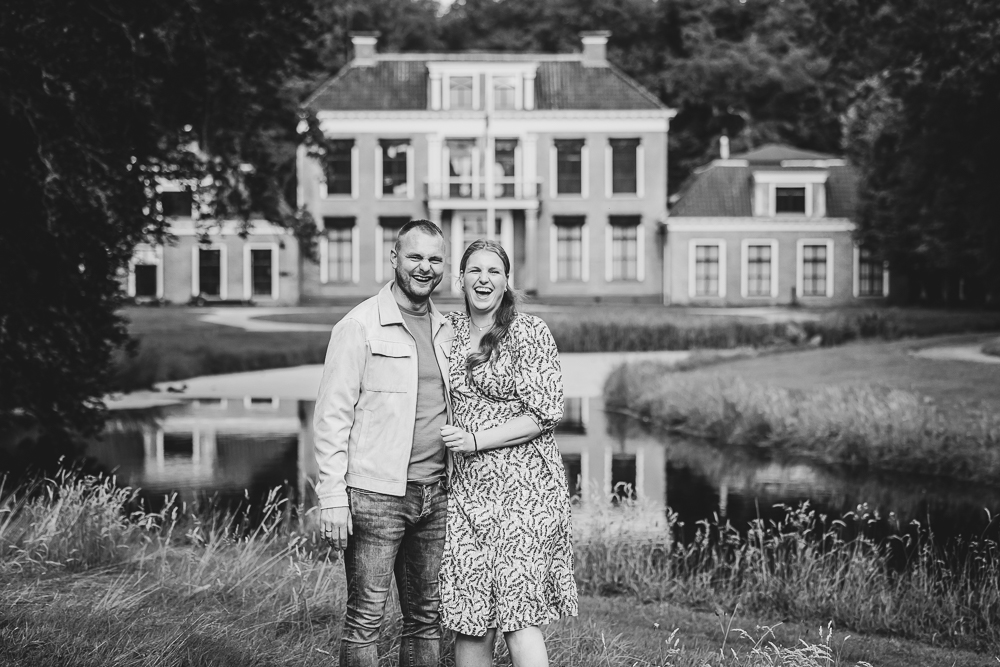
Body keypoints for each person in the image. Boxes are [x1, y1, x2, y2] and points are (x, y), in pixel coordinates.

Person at [313, 219, 453, 667]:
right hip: (375, 496)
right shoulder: (358, 326)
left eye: (434, 259)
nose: (424, 267)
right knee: (365, 620)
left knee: (426, 619)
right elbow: (332, 416)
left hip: (437, 496)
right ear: (394, 259)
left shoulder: (447, 329)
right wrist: (333, 496)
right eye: (415, 257)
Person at [439, 239, 578, 667]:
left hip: (527, 489)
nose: (483, 279)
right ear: (460, 278)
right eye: (474, 270)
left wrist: (477, 440)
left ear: (506, 280)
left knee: (520, 612)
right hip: (467, 491)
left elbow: (546, 412)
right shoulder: (446, 331)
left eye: (493, 271)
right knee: (471, 613)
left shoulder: (529, 331)